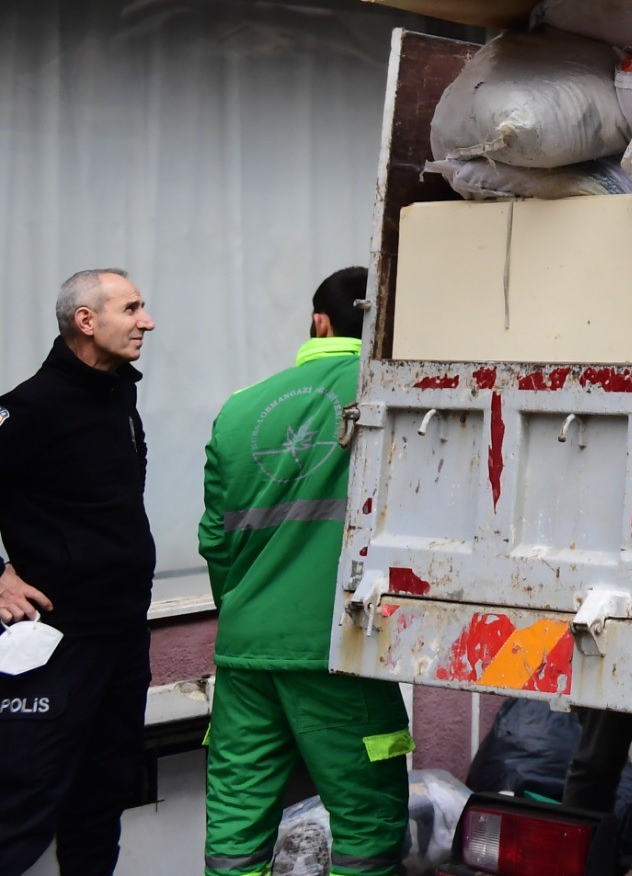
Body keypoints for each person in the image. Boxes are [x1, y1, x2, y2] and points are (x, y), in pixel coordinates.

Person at [0, 268, 157, 876]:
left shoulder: (118, 396)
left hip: (123, 637)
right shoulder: (32, 406)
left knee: (101, 803)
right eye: (132, 309)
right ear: (87, 321)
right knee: (22, 811)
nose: (147, 322)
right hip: (57, 644)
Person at [200, 267, 412, 876]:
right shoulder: (397, 397)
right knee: (365, 826)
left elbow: (214, 540)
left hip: (246, 654)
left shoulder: (239, 409)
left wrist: (245, 612)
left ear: (320, 322)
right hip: (340, 647)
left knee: (236, 825)